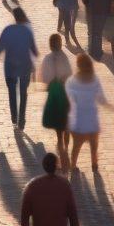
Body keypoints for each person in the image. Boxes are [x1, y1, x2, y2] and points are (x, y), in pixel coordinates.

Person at [0, 7, 38, 130]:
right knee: (23, 93)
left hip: (10, 67)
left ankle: (14, 118)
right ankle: (21, 119)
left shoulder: (8, 30)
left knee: (12, 93)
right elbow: (34, 51)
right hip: (25, 66)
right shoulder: (27, 31)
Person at [66, 53, 108, 172]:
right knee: (94, 144)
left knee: (76, 145)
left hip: (78, 117)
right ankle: (94, 164)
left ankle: (73, 165)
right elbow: (101, 99)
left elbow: (68, 98)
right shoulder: (94, 79)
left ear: (78, 65)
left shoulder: (72, 80)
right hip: (91, 117)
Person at [40, 34, 72, 168]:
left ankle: (60, 144)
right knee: (66, 121)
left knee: (58, 124)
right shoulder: (64, 58)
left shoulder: (47, 58)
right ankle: (66, 146)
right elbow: (69, 74)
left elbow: (44, 77)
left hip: (53, 93)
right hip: (65, 92)